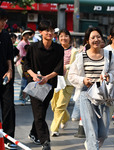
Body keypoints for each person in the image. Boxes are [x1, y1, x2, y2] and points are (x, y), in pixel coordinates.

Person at [68, 27, 114, 150]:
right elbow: (71, 75)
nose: (96, 39)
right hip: (87, 94)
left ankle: (92, 144)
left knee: (104, 133)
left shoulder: (109, 55)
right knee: (91, 130)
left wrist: (108, 76)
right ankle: (92, 145)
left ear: (102, 39)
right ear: (88, 41)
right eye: (93, 37)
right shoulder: (81, 56)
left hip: (104, 96)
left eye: (98, 37)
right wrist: (82, 80)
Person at [23, 20, 64, 150]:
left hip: (49, 85)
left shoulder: (58, 49)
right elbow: (26, 65)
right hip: (35, 85)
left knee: (41, 112)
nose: (50, 33)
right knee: (39, 112)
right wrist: (34, 75)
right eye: (46, 30)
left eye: (52, 30)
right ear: (40, 32)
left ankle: (33, 132)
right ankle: (45, 141)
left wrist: (47, 78)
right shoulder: (33, 48)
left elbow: (59, 68)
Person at [50, 29, 78, 136]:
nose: (63, 38)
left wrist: (66, 67)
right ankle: (65, 117)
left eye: (66, 36)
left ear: (69, 38)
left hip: (68, 82)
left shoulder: (74, 51)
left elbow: (76, 65)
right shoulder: (55, 49)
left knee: (60, 105)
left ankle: (54, 129)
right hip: (56, 80)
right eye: (61, 36)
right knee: (53, 104)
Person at [0, 8, 16, 149]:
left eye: (5, 20)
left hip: (5, 77)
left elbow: (9, 56)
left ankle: (9, 138)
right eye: (2, 20)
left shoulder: (5, 35)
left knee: (8, 107)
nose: (4, 23)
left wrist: (10, 70)